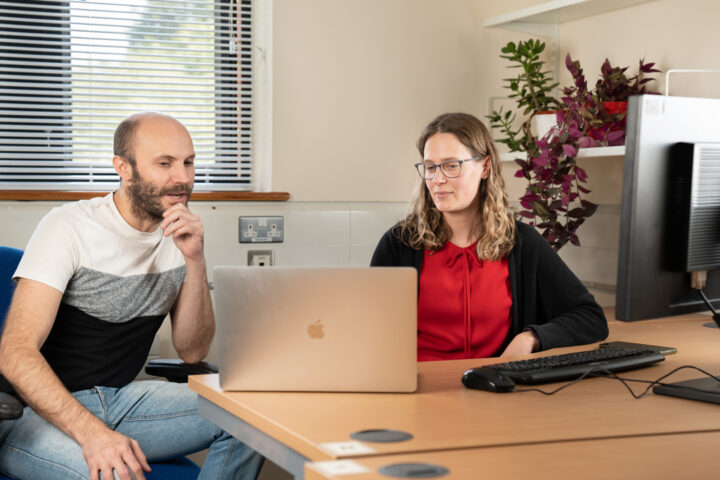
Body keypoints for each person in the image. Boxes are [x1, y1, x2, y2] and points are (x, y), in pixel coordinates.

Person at [0, 112, 263, 480]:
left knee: (252, 415)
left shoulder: (178, 232)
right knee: (113, 473)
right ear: (123, 168)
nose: (183, 178)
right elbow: (15, 353)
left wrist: (194, 259)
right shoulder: (68, 227)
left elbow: (192, 351)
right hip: (31, 414)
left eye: (189, 162)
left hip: (121, 400)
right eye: (165, 163)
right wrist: (93, 435)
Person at [371, 112, 608, 361]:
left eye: (452, 166)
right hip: (419, 390)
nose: (437, 179)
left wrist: (531, 337)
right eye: (430, 167)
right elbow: (370, 330)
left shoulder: (521, 242)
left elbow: (590, 317)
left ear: (485, 167)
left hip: (494, 387)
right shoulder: (399, 243)